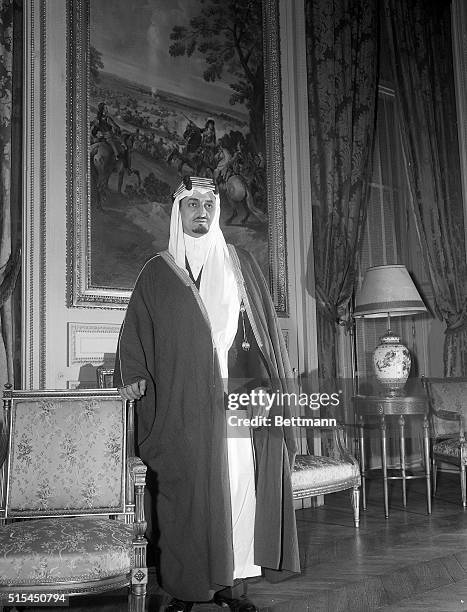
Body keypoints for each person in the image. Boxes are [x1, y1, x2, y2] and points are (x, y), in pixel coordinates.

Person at [115, 176, 300, 612]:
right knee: (184, 494)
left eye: (209, 204)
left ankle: (231, 587)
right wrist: (134, 374)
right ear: (178, 213)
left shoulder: (241, 263)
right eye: (192, 204)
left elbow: (266, 332)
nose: (202, 211)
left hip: (238, 396)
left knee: (238, 489)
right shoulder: (156, 272)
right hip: (184, 401)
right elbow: (135, 333)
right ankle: (184, 587)